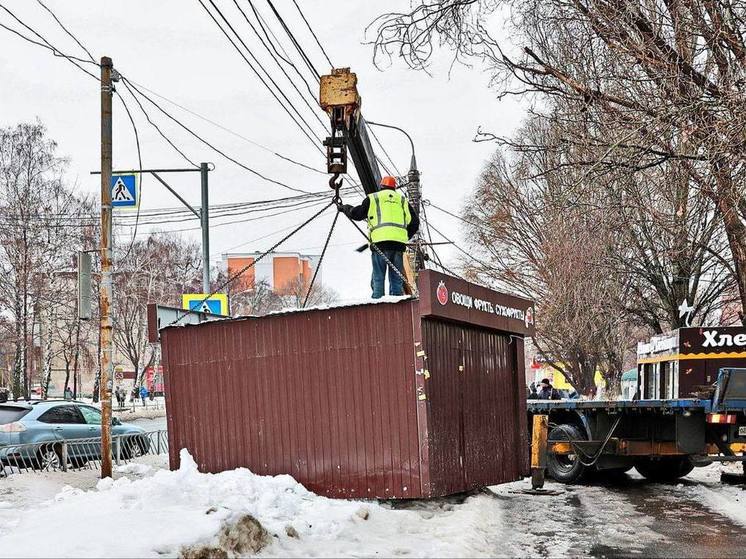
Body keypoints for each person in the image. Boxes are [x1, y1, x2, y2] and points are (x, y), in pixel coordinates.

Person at [339, 176, 420, 299]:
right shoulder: (402, 201)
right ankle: (396, 306)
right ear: (394, 188)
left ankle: (378, 305)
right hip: (398, 246)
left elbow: (357, 214)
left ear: (381, 186)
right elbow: (414, 223)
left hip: (380, 245)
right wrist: (404, 236)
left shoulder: (373, 198)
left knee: (378, 279)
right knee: (396, 280)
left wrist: (344, 208)